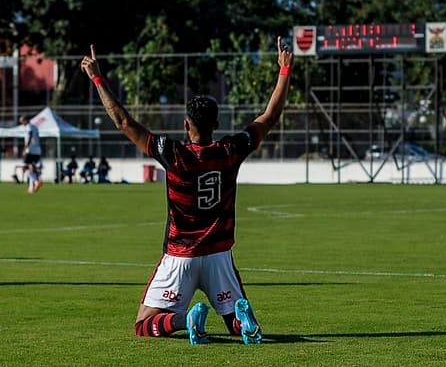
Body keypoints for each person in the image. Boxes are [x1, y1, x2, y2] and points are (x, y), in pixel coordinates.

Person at [81, 37, 293, 346]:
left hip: (181, 256)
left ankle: (184, 319)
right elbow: (269, 117)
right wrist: (284, 70)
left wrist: (98, 77)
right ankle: (242, 322)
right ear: (216, 124)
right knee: (235, 320)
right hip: (219, 255)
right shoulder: (230, 149)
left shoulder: (173, 153)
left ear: (186, 125)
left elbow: (123, 121)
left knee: (144, 324)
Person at [14, 115, 42, 194]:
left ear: (26, 120)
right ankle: (31, 188)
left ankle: (36, 182)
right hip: (37, 150)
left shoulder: (28, 127)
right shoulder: (35, 127)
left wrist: (25, 148)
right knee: (31, 168)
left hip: (30, 150)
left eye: (22, 121)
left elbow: (30, 137)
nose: (22, 123)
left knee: (24, 168)